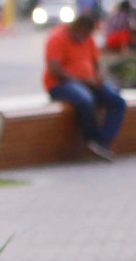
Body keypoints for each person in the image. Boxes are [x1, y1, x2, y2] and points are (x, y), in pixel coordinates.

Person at [44, 15, 125, 162]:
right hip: (61, 84)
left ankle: (103, 141)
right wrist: (84, 81)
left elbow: (95, 63)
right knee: (85, 99)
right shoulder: (57, 39)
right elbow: (55, 70)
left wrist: (98, 76)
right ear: (76, 28)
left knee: (117, 101)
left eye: (88, 35)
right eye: (83, 34)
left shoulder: (88, 38)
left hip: (88, 82)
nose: (85, 38)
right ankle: (92, 138)